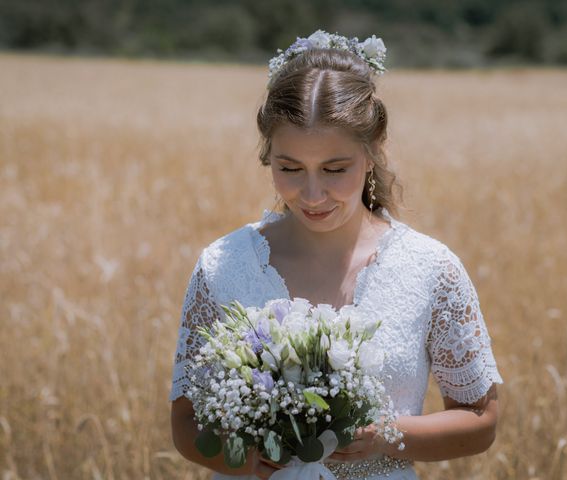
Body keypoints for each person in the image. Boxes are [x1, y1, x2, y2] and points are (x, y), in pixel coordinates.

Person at [170, 30, 503, 480]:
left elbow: (480, 421)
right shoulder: (223, 265)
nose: (311, 194)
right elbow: (187, 422)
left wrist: (385, 435)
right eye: (289, 168)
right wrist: (254, 461)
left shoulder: (431, 269)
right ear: (268, 156)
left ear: (372, 152)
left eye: (334, 169)